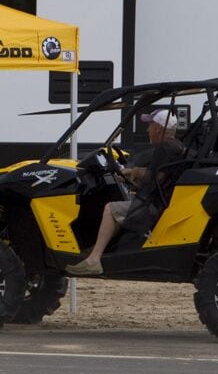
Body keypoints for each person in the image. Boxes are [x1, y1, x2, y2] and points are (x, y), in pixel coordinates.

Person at [65, 108, 184, 276]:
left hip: (155, 206)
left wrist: (133, 171)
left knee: (110, 208)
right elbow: (159, 177)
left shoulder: (165, 147)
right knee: (120, 204)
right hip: (160, 199)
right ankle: (97, 250)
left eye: (150, 125)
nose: (147, 129)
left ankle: (94, 260)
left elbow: (155, 176)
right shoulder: (176, 146)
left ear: (158, 128)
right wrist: (132, 176)